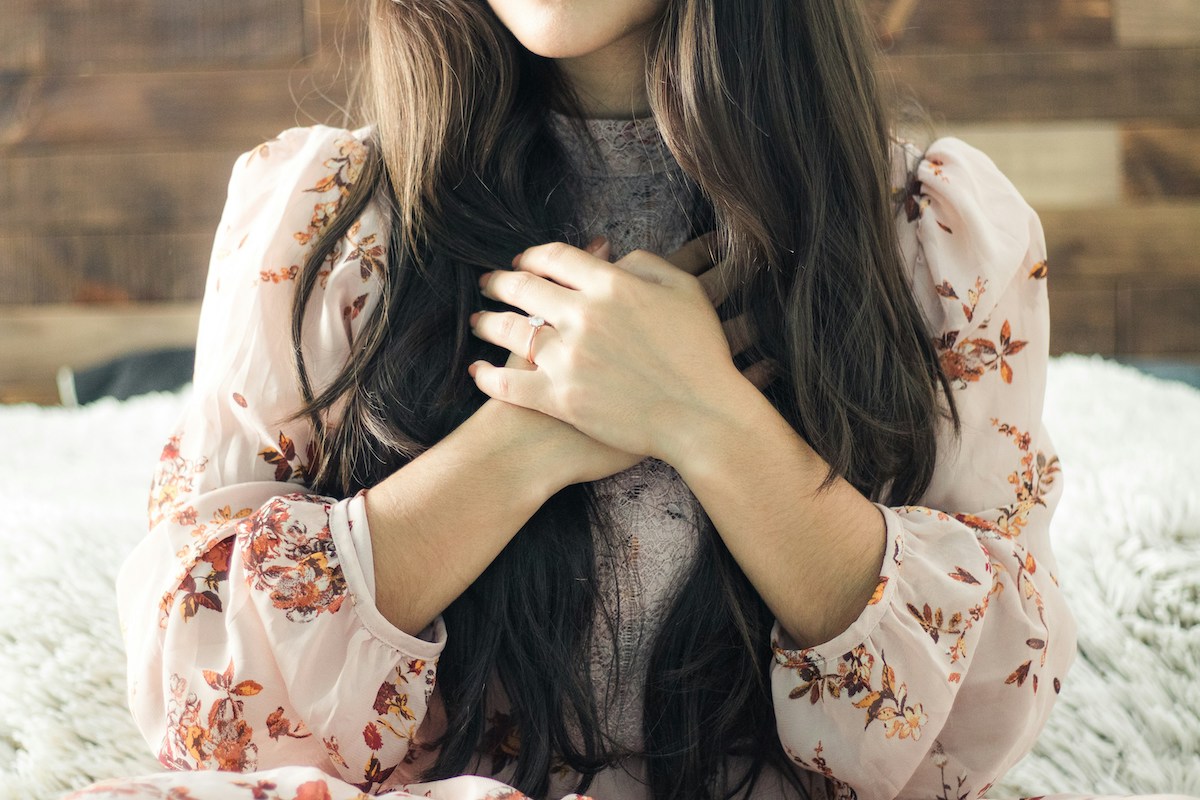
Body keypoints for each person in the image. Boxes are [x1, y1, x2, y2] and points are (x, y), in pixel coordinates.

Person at [68, 1, 1189, 800]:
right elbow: (205, 691)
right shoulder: (323, 216)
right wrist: (529, 439)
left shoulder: (930, 236)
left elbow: (973, 723)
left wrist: (707, 415)